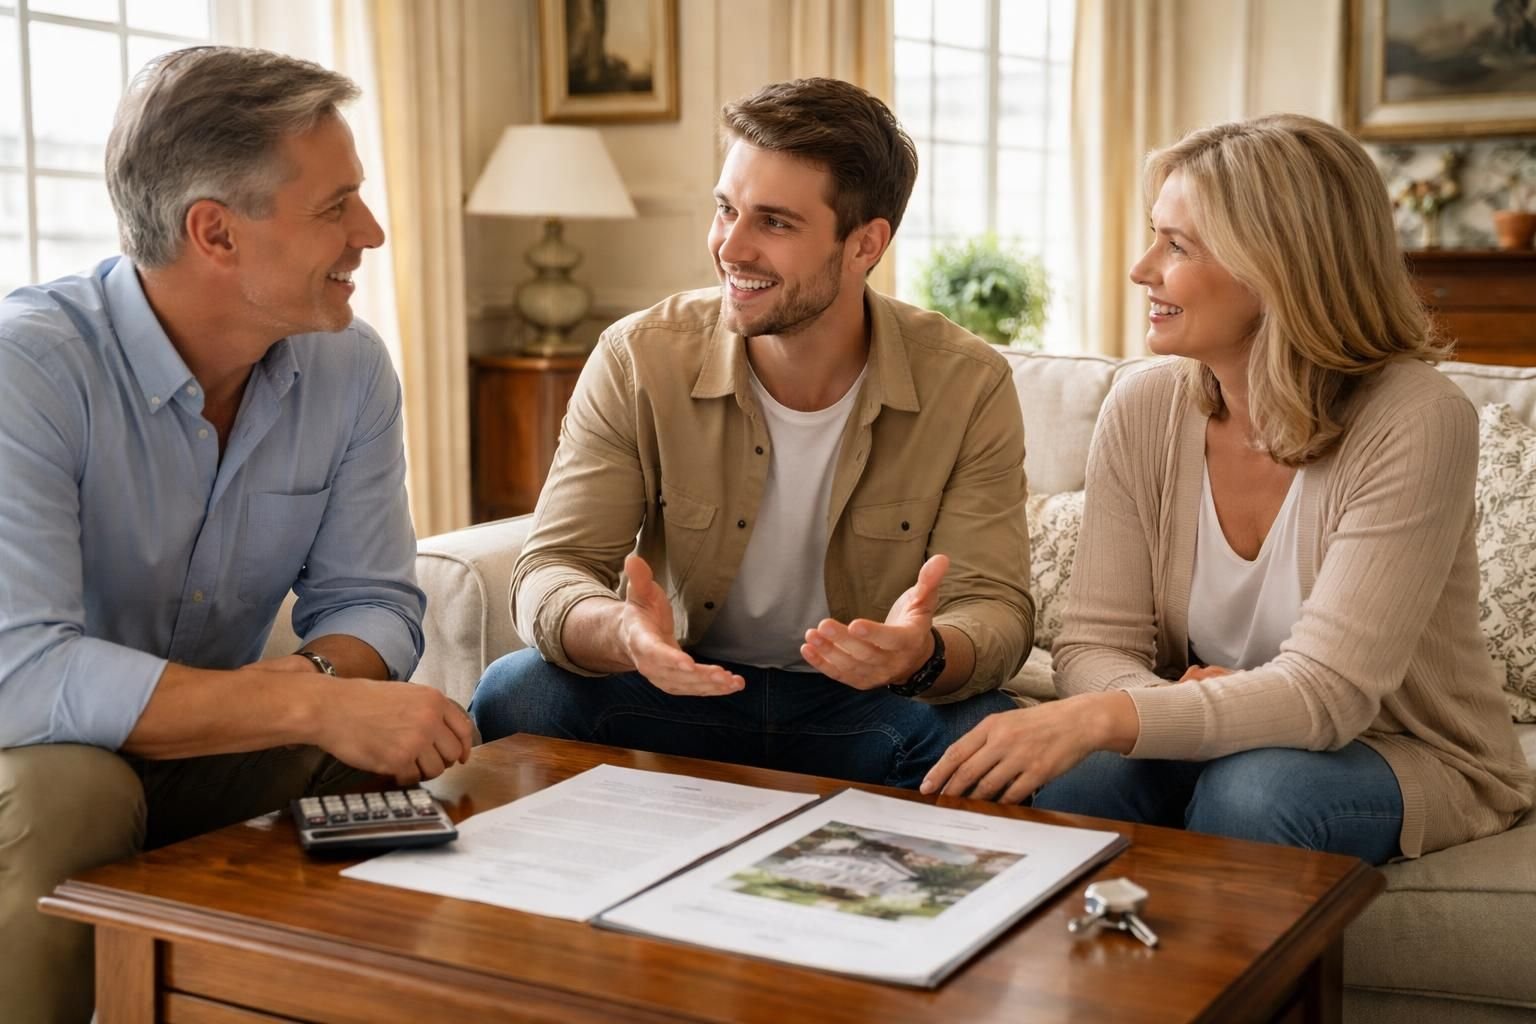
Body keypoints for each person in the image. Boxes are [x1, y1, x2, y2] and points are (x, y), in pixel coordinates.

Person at [0, 47, 474, 1022]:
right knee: (79, 793)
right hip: (34, 749)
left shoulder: (349, 369)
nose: (371, 232)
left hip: (208, 740)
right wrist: (307, 703)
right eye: (336, 206)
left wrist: (325, 699)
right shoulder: (28, 373)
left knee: (391, 755)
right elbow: (24, 675)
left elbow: (372, 602)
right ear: (214, 232)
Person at [922, 114, 1532, 865]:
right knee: (1084, 778)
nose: (1142, 269)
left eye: (1177, 245)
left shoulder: (1416, 417)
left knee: (1256, 792)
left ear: (1278, 266)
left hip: (1399, 748)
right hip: (1217, 722)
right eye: (1155, 237)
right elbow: (1095, 642)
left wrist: (1117, 716)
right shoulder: (1144, 407)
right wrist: (1170, 711)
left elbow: (1330, 690)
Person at [470, 78, 1032, 788]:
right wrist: (622, 633)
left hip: (868, 709)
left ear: (865, 244)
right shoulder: (639, 357)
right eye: (726, 209)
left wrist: (921, 655)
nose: (731, 247)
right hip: (681, 688)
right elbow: (553, 566)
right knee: (518, 694)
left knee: (994, 738)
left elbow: (995, 606)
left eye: (775, 223)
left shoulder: (968, 383)